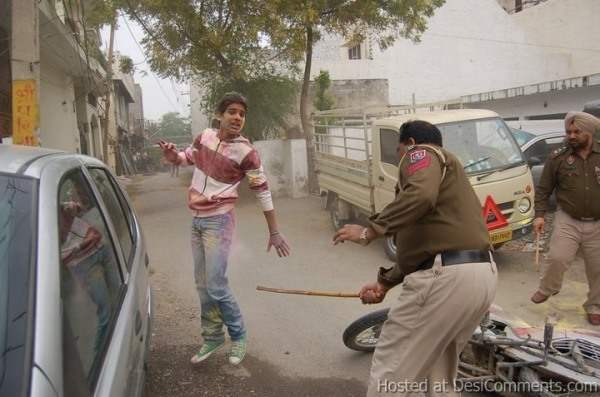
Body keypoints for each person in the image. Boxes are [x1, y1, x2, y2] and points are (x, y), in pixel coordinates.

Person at [333, 120, 497, 396]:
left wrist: (370, 229)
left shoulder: (420, 153)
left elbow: (420, 194)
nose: (401, 160)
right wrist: (385, 283)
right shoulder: (448, 172)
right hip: (480, 275)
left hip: (449, 279)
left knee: (392, 368)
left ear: (409, 143)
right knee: (439, 374)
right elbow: (424, 247)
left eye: (399, 151)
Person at [159, 92, 290, 366]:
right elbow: (186, 158)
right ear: (220, 115)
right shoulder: (205, 136)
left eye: (242, 114)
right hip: (196, 220)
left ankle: (239, 335)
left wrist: (274, 231)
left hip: (219, 221)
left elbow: (262, 193)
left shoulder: (247, 153)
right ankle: (212, 336)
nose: (237, 118)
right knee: (202, 285)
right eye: (232, 112)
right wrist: (173, 155)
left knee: (216, 285)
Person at [530, 111, 600, 326]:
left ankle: (594, 305)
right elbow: (543, 189)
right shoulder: (558, 157)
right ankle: (548, 288)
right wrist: (539, 215)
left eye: (577, 132)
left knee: (598, 268)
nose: (571, 135)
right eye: (568, 131)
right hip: (568, 218)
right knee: (558, 257)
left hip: (598, 222)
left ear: (589, 132)